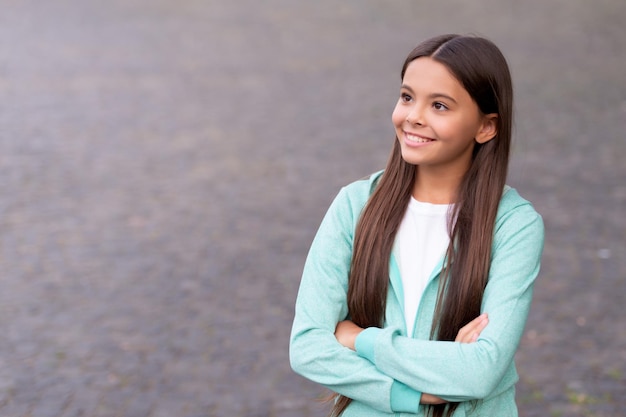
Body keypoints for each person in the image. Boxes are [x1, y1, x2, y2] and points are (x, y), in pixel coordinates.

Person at [289, 34, 545, 417]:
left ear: (486, 127)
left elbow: (481, 371)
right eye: (407, 97)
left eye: (439, 105)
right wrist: (418, 392)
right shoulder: (355, 205)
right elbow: (308, 347)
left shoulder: (514, 226)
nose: (413, 116)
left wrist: (361, 340)